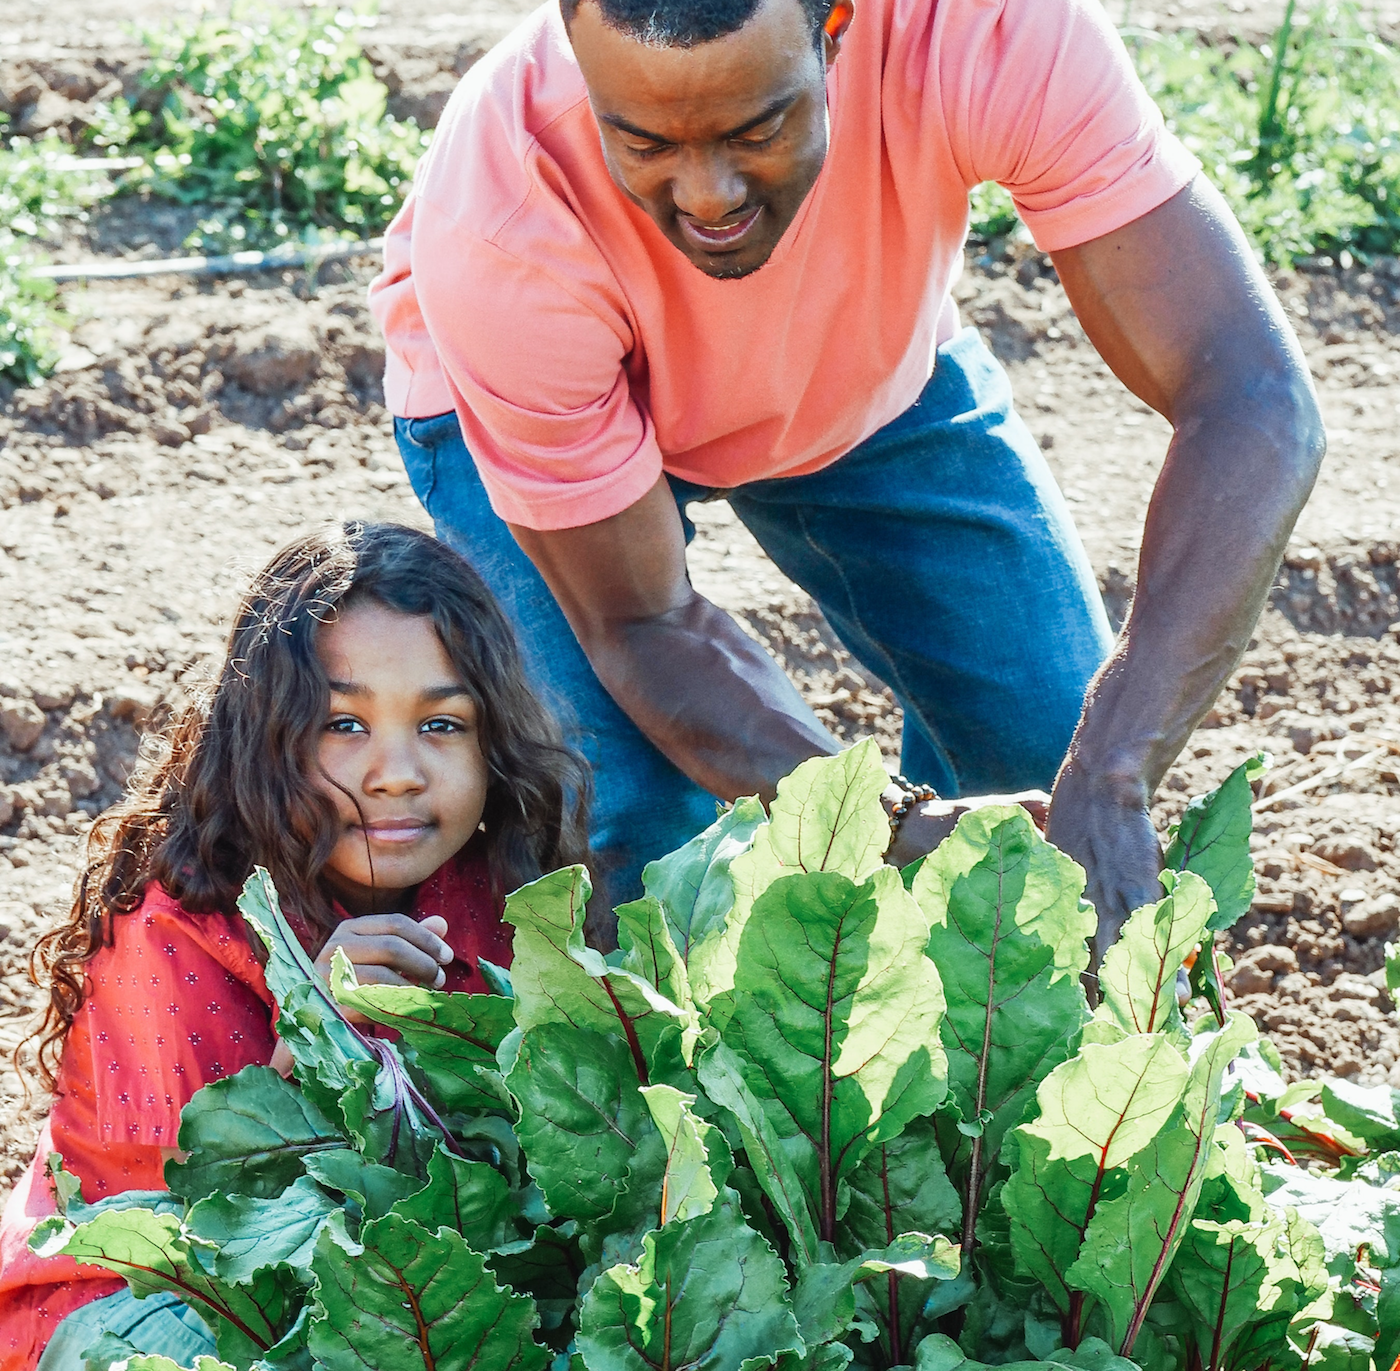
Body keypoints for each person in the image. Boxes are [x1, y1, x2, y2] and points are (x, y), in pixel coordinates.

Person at [370, 0, 1324, 945]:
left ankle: (966, 1054)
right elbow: (641, 621)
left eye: (759, 127)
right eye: (644, 143)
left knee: (1043, 744)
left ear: (839, 27)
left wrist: (1113, 766)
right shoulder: (503, 212)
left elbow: (1251, 397)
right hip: (538, 398)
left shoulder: (982, 27)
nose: (707, 196)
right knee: (633, 841)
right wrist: (890, 823)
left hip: (855, 361)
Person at [0, 522, 588, 1371]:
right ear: (264, 740)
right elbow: (200, 1218)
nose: (397, 772)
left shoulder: (491, 893)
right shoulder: (177, 928)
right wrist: (320, 1033)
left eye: (443, 723)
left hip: (391, 1286)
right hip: (149, 1293)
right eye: (344, 724)